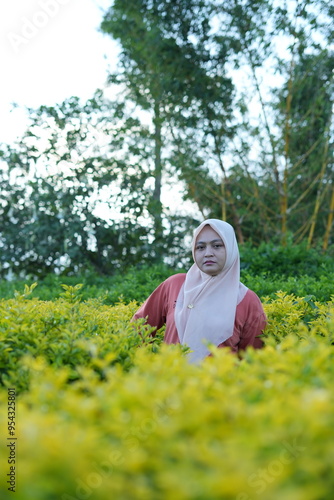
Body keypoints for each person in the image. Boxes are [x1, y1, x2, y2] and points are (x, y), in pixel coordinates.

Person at [132, 219, 266, 363]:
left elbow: (252, 360)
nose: (208, 253)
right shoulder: (175, 285)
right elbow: (138, 328)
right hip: (170, 381)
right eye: (200, 247)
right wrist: (145, 366)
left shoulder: (246, 300)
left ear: (231, 248)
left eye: (217, 246)